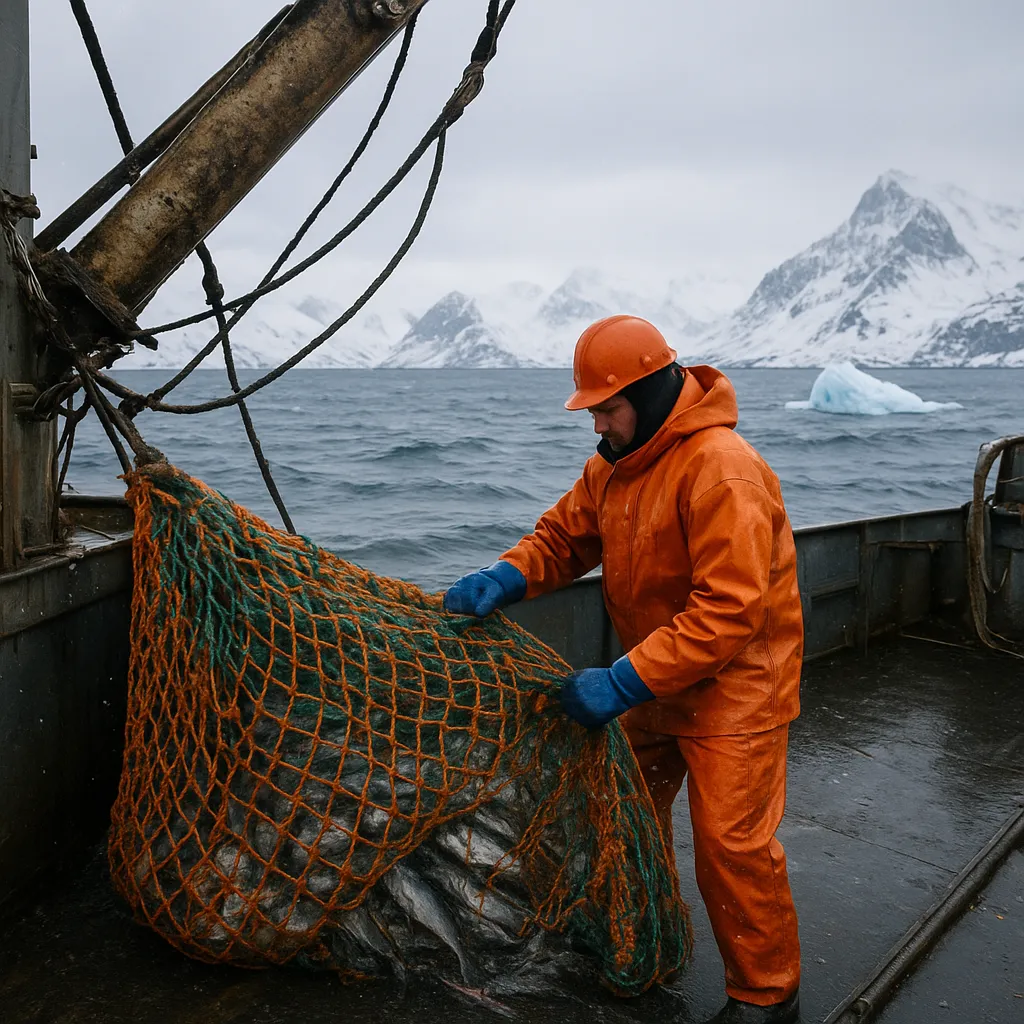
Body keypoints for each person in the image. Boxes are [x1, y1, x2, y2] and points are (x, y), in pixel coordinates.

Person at [443, 315, 804, 1024]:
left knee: (732, 845)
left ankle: (767, 995)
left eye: (607, 408)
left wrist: (619, 682)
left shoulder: (721, 469)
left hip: (737, 688)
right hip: (655, 679)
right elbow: (562, 538)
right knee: (620, 812)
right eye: (594, 411)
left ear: (653, 389)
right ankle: (640, 934)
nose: (597, 425)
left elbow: (731, 614)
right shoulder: (612, 465)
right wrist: (507, 576)